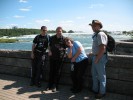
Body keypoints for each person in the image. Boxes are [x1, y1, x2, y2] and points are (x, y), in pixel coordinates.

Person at [89, 20, 108, 99]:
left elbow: (102, 48)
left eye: (94, 26)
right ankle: (95, 89)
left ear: (99, 26)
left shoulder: (100, 34)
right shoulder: (95, 34)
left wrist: (97, 58)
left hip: (100, 57)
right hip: (95, 56)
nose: (92, 27)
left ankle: (102, 92)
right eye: (92, 26)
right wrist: (93, 53)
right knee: (94, 75)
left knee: (101, 76)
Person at [46, 26, 66, 92]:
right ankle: (49, 85)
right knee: (51, 71)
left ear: (62, 31)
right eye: (58, 31)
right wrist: (49, 50)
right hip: (52, 57)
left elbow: (68, 46)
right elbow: (49, 45)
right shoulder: (52, 38)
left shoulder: (64, 39)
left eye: (60, 31)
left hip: (60, 58)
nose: (59, 32)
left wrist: (63, 50)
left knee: (58, 72)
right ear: (56, 31)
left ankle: (55, 86)